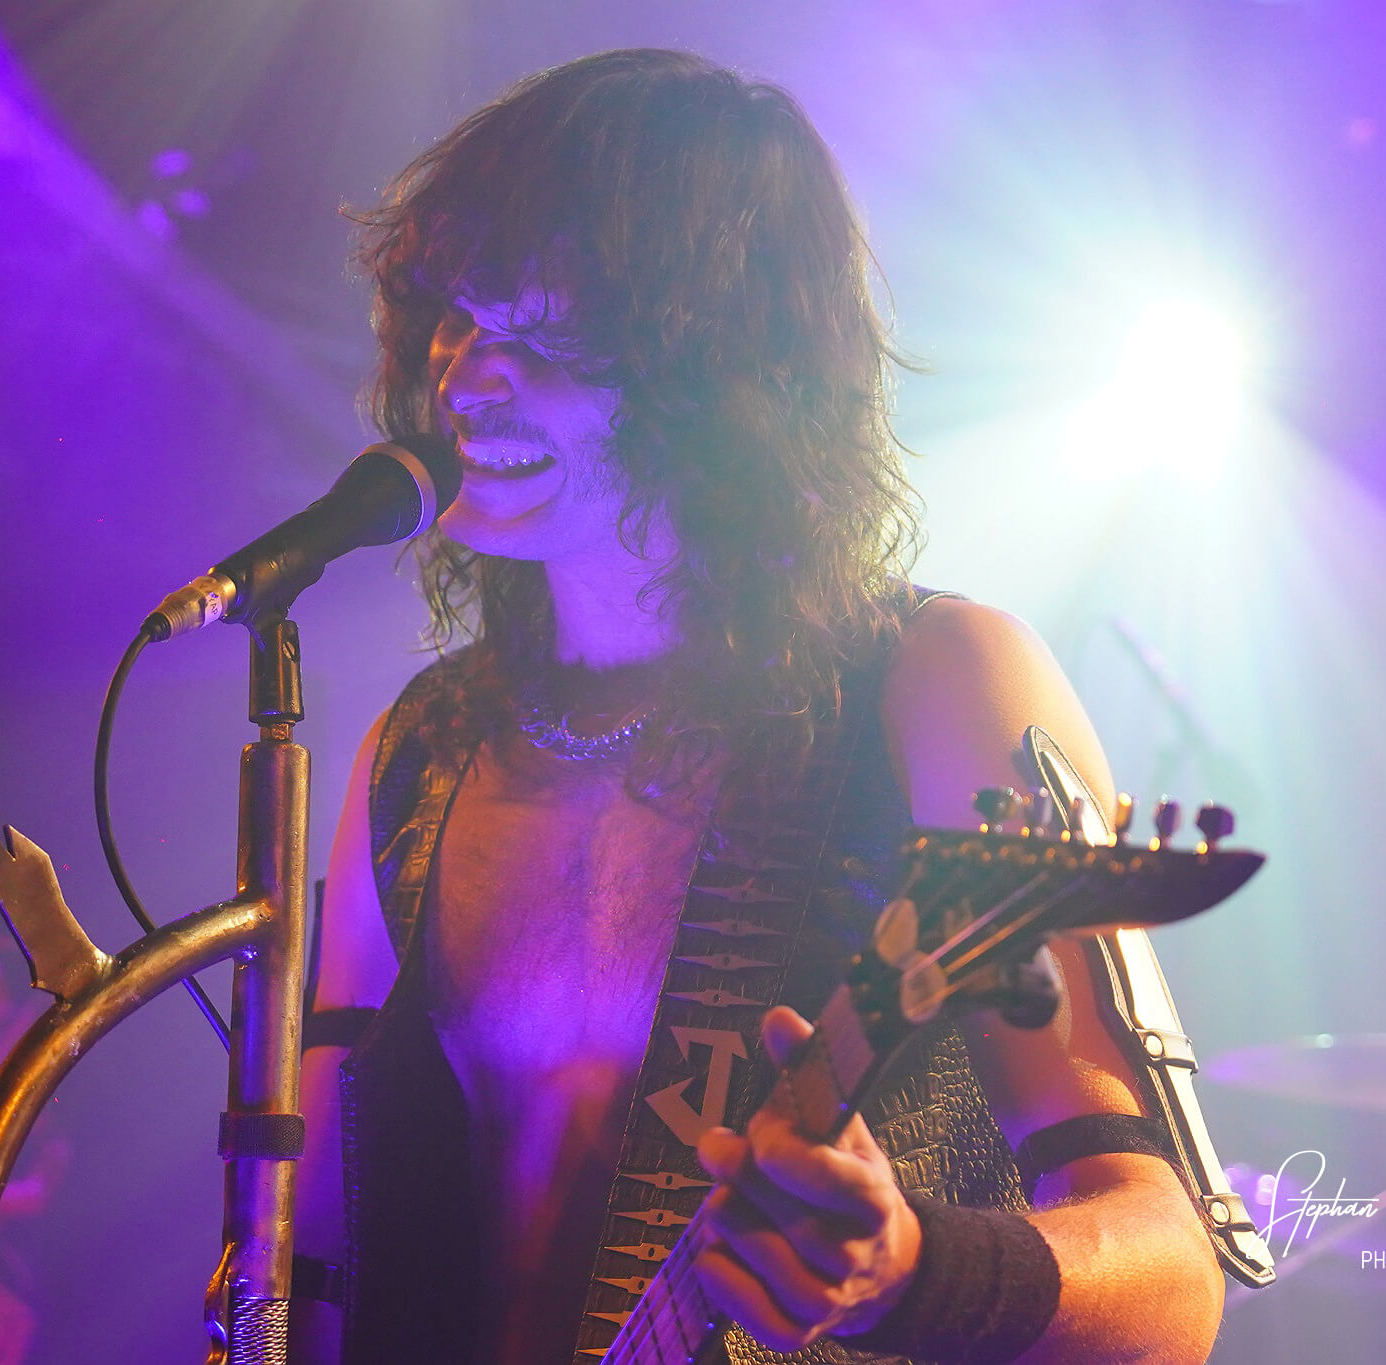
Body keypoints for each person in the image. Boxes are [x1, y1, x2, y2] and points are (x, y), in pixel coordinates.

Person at [293, 48, 1227, 1365]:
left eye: (545, 327)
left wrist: (914, 1274)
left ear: (719, 360)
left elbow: (1174, 1283)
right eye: (455, 313)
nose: (464, 377)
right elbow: (307, 1264)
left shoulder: (939, 684)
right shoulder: (419, 756)